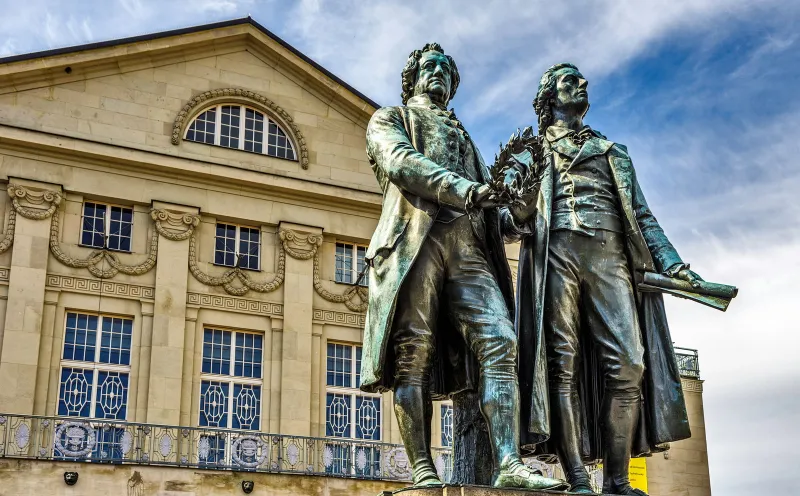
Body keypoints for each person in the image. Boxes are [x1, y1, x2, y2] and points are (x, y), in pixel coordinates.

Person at [358, 43, 566, 491]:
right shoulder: (390, 118)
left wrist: (520, 211)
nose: (438, 73)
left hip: (469, 248)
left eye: (446, 71)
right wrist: (469, 190)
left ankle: (508, 462)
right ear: (412, 78)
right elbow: (403, 164)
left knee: (501, 341)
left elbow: (494, 214)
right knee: (412, 354)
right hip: (414, 242)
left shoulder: (466, 139)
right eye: (430, 67)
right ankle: (422, 468)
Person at [512, 63, 702, 495]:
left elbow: (643, 216)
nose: (582, 84)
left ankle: (617, 480)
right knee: (560, 366)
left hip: (611, 256)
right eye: (569, 80)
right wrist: (518, 209)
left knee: (630, 363)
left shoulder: (613, 152)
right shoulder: (532, 151)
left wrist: (673, 264)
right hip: (556, 254)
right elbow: (507, 216)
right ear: (549, 98)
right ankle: (578, 478)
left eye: (581, 80)